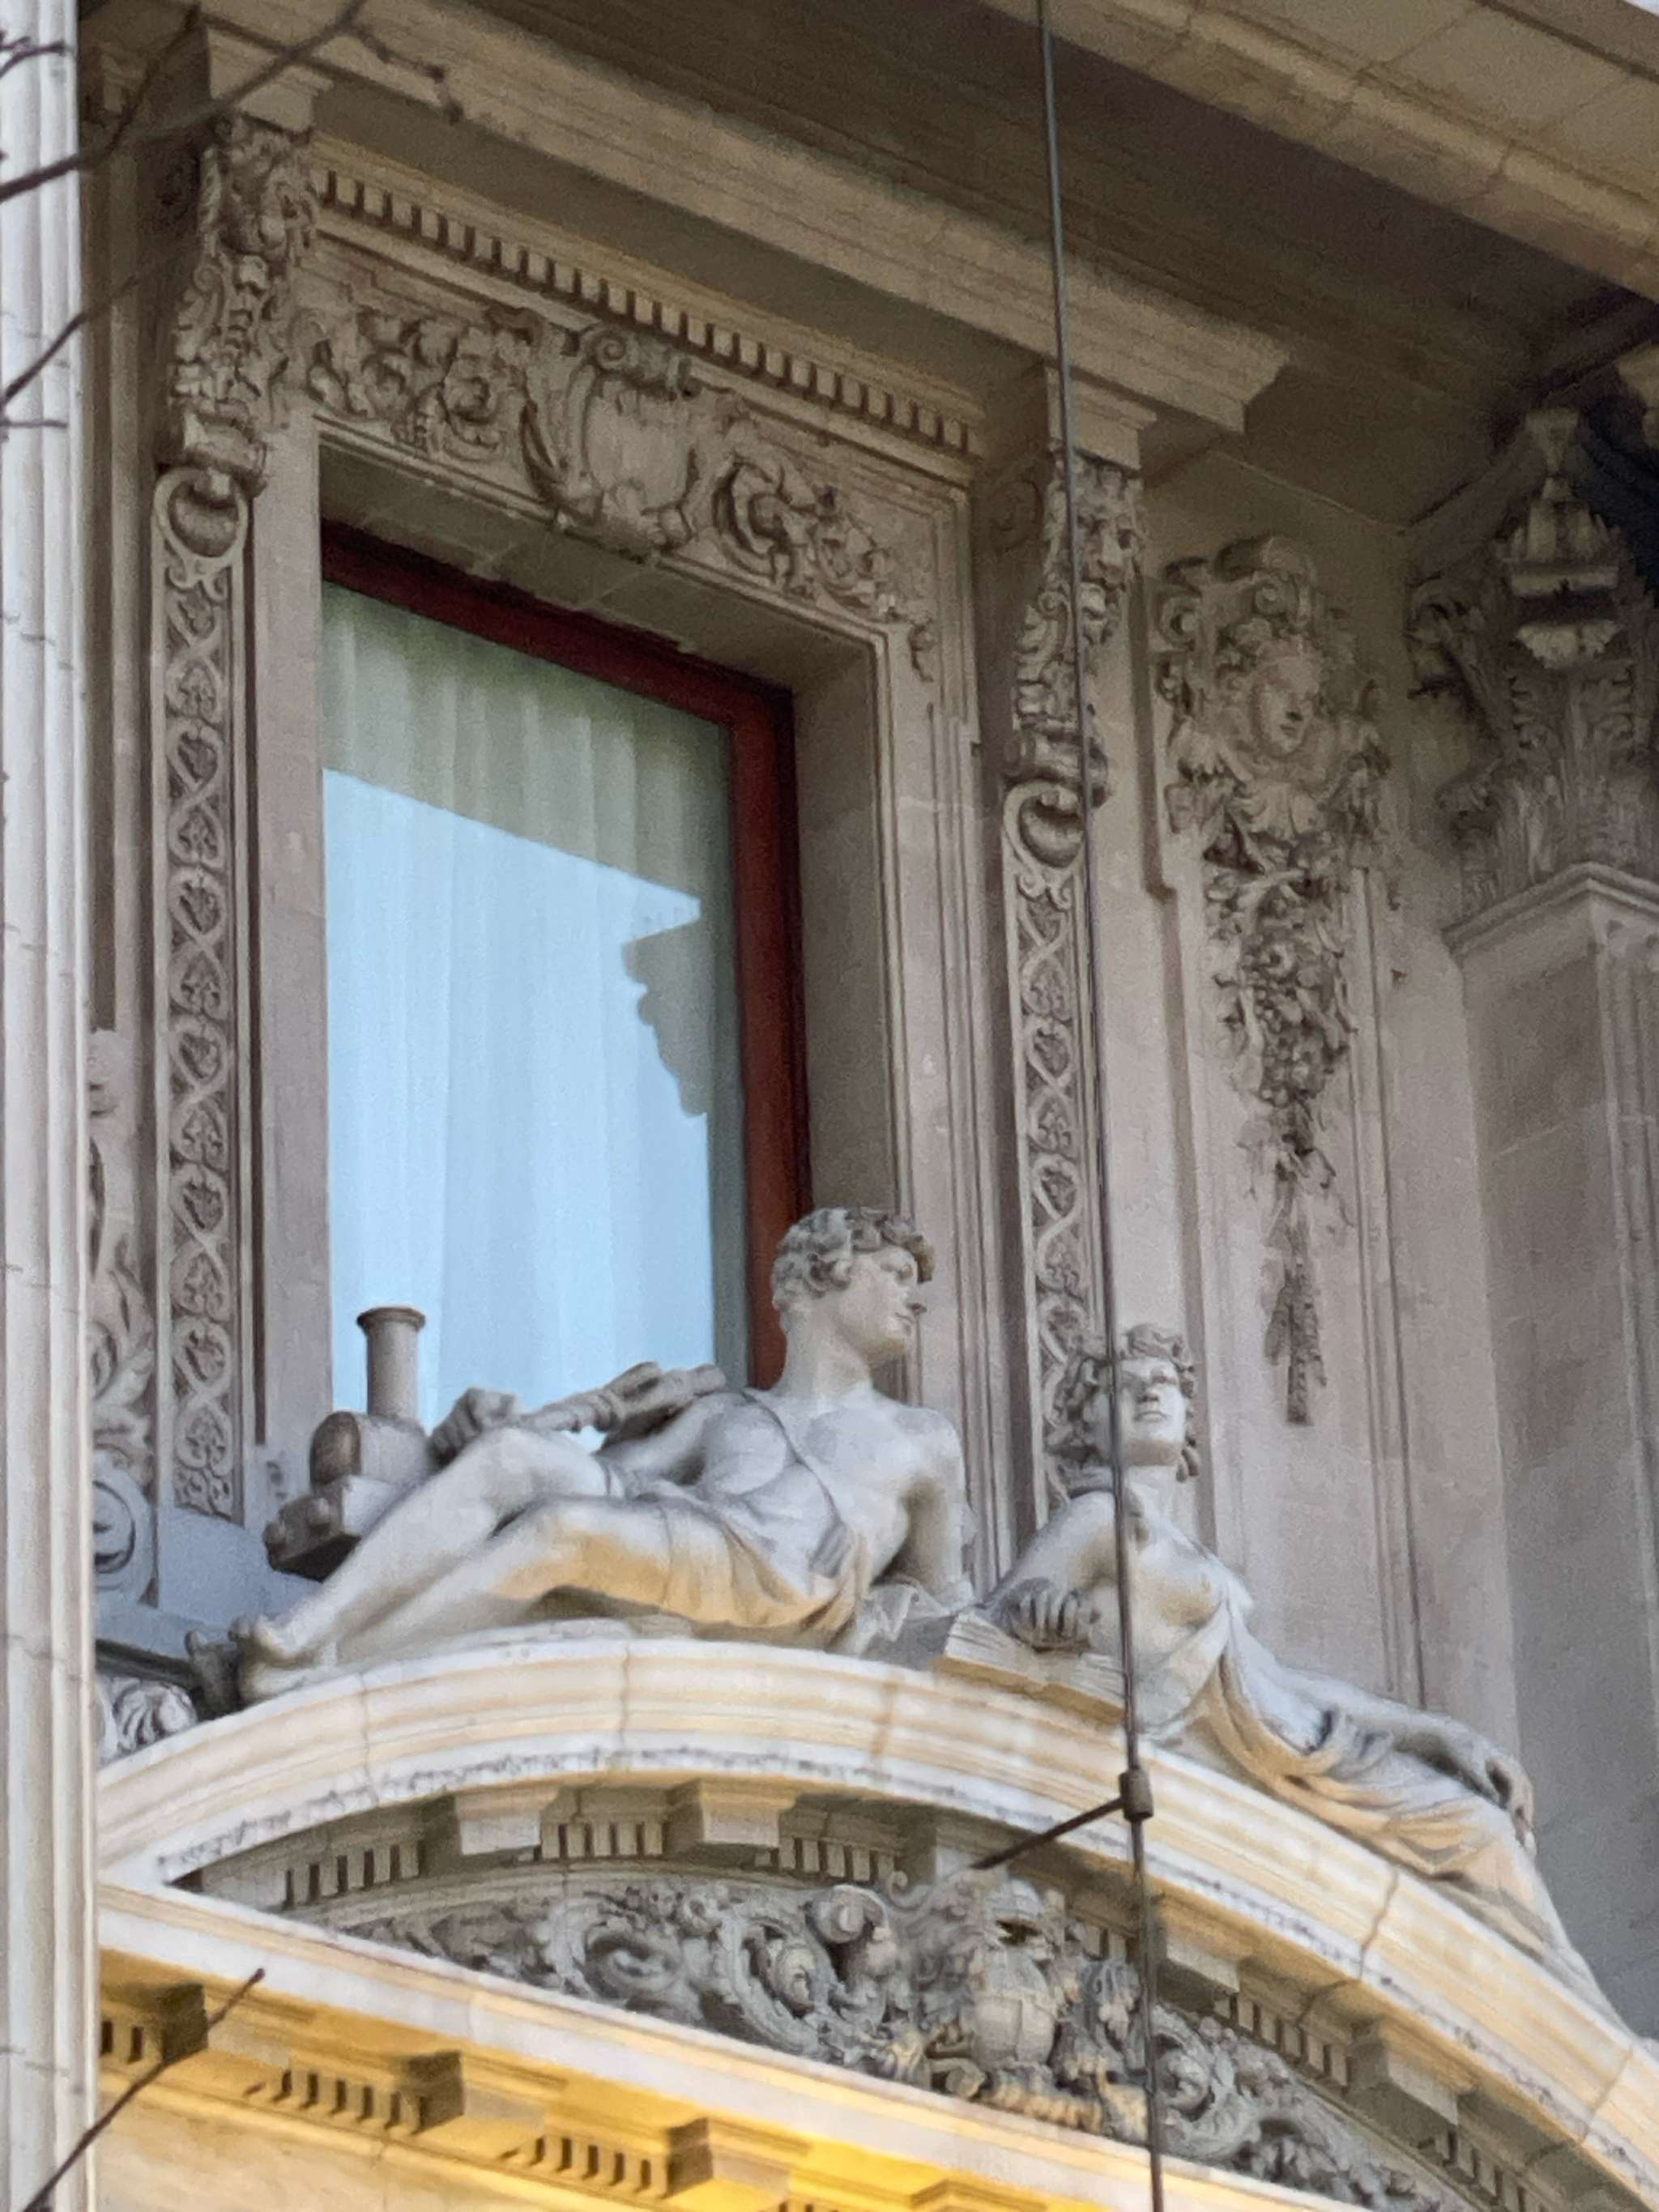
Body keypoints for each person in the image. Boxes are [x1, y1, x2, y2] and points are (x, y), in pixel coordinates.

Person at [987, 1328, 1601, 1997]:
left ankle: (1575, 2010)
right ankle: (1577, 2012)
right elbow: (1004, 1612)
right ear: (1087, 1424)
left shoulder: (1190, 1552)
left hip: (1286, 1749)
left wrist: (1438, 1733)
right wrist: (1039, 1610)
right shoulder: (1097, 1519)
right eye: (1122, 1385)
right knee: (1478, 1835)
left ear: (1190, 1418)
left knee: (1481, 1831)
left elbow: (1279, 1682)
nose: (1148, 1392)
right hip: (1227, 1761)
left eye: (1162, 1380)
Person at [238, 1206, 971, 1699]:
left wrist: (1024, 1603)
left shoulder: (922, 1439)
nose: (913, 1300)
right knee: (516, 1458)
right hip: (693, 1536)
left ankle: (335, 1666)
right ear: (824, 1274)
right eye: (895, 1274)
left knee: (565, 1531)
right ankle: (312, 1627)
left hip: (776, 1580)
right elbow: (625, 1480)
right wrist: (508, 1431)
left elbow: (950, 1604)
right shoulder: (728, 1413)